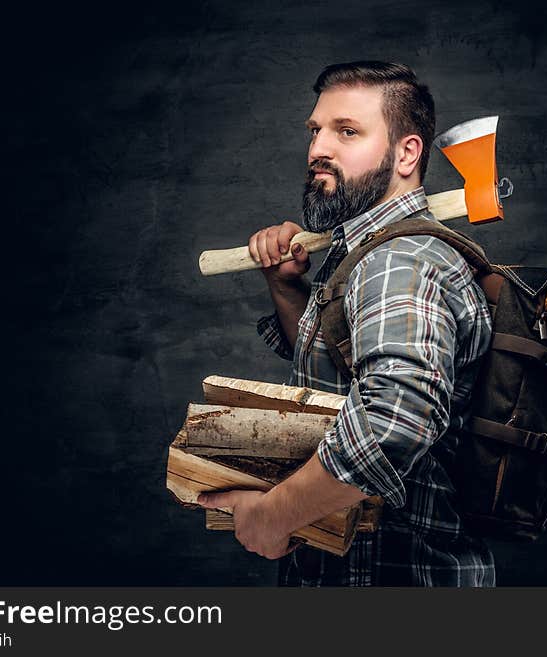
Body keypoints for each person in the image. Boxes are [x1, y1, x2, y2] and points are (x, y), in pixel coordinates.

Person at [196, 61, 495, 586]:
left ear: (407, 153)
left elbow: (393, 422)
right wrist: (288, 288)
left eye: (347, 131)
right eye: (316, 130)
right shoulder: (361, 253)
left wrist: (276, 514)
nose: (318, 149)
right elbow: (341, 379)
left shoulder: (397, 263)